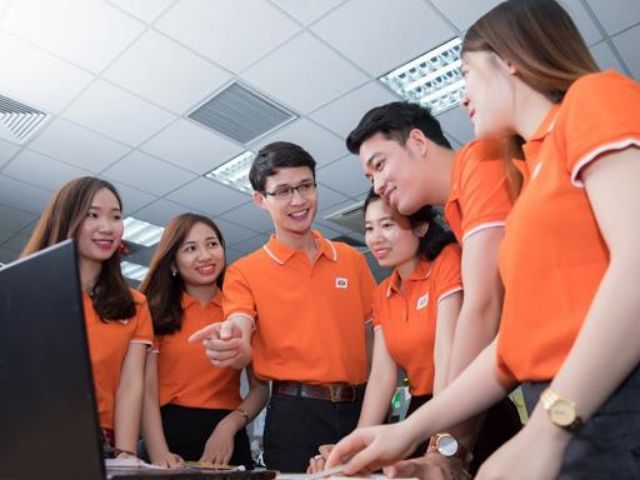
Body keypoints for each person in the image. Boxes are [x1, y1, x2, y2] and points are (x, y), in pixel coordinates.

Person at [326, 1, 640, 478]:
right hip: (569, 405)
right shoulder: (530, 174)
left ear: (508, 59)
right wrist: (408, 431)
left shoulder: (592, 97)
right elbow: (511, 344)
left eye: (466, 74)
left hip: (605, 400)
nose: (462, 98)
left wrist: (548, 429)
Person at [337, 99, 522, 476]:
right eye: (370, 178)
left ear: (418, 142)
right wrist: (359, 448)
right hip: (468, 400)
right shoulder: (460, 208)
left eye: (379, 165)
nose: (378, 185)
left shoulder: (479, 163)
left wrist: (444, 447)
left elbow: (481, 311)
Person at [189, 142, 377, 473]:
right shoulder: (245, 272)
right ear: (261, 200)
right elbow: (240, 321)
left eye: (306, 186)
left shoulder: (351, 260)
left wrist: (374, 410)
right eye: (284, 191)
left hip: (361, 409)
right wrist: (234, 338)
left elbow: (373, 339)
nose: (298, 200)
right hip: (294, 416)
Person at [308, 189, 462, 474]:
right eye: (369, 228)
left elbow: (447, 355)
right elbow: (381, 377)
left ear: (420, 227)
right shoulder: (382, 294)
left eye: (387, 225)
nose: (375, 238)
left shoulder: (446, 261)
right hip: (420, 410)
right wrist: (352, 448)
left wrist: (437, 441)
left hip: (462, 404)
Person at [21, 176, 153, 459]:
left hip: (99, 442)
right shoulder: (24, 289)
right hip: (28, 433)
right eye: (93, 215)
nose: (107, 227)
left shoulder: (135, 304)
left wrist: (126, 452)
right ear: (66, 218)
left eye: (115, 217)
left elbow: (130, 385)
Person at [140, 213, 268, 468]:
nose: (205, 255)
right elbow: (147, 392)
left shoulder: (241, 312)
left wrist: (228, 426)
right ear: (173, 262)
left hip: (228, 437)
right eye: (191, 248)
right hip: (166, 437)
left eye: (212, 244)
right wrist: (159, 453)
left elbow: (261, 389)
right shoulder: (154, 312)